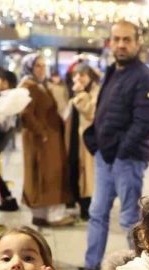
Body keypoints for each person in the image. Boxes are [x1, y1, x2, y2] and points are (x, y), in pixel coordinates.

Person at [62, 20, 149, 270]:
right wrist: (95, 142)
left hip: (127, 159)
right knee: (97, 212)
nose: (121, 45)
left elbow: (144, 124)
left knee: (130, 219)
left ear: (138, 42)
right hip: (105, 157)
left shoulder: (143, 77)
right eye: (116, 39)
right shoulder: (113, 71)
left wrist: (121, 151)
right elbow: (102, 111)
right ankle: (92, 266)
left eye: (127, 39)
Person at [19, 53, 74, 227]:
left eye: (44, 65)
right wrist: (41, 132)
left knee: (45, 175)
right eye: (38, 66)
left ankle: (41, 214)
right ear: (30, 68)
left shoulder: (38, 85)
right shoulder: (29, 86)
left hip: (47, 138)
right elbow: (26, 114)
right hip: (42, 140)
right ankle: (53, 215)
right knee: (48, 175)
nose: (42, 69)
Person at [64, 62, 100, 221]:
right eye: (76, 75)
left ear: (90, 76)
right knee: (73, 168)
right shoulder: (74, 90)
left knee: (86, 173)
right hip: (73, 136)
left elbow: (91, 112)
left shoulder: (95, 91)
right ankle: (75, 201)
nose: (79, 78)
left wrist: (80, 95)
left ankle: (86, 207)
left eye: (82, 75)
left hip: (87, 137)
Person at [0, 68, 19, 212]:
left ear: (5, 83)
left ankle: (5, 196)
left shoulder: (7, 98)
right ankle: (5, 196)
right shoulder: (8, 97)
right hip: (2, 136)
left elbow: (2, 122)